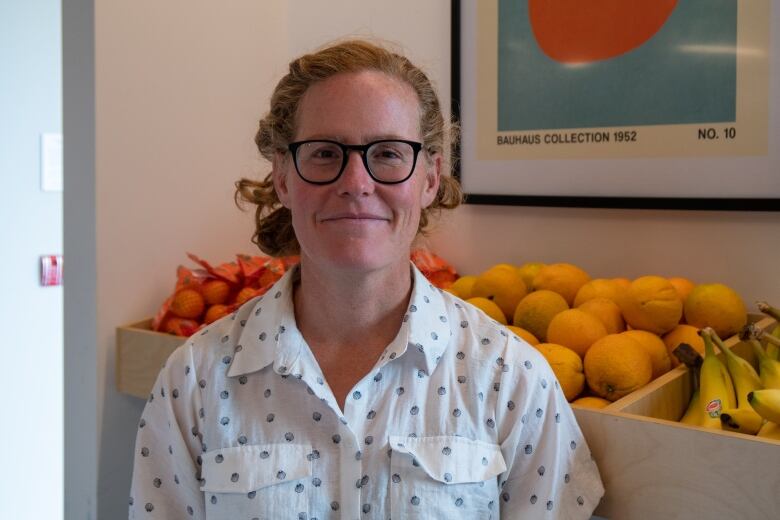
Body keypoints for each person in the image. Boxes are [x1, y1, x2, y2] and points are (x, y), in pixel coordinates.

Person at [129, 39, 604, 519]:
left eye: (388, 154)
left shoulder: (510, 377)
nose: (356, 182)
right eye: (323, 153)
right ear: (282, 178)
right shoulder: (194, 379)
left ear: (430, 178)